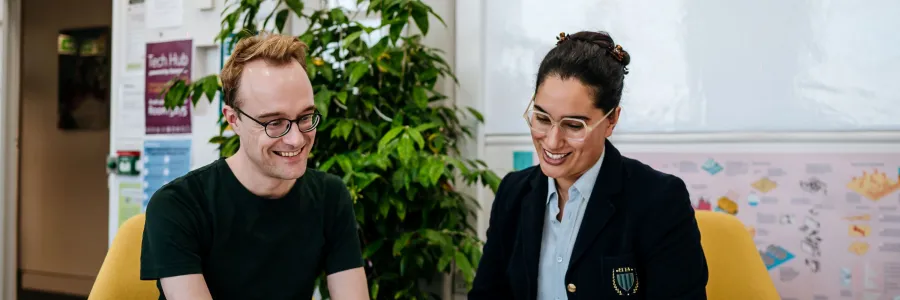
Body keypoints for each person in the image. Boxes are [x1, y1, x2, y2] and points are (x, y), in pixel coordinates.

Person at [468, 31, 708, 300]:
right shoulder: (514, 192)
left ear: (611, 120)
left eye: (573, 125)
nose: (552, 140)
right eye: (542, 118)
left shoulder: (659, 200)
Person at [140, 33, 369, 300]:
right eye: (274, 122)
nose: (296, 139)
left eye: (306, 117)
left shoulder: (330, 196)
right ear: (233, 119)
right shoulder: (178, 205)